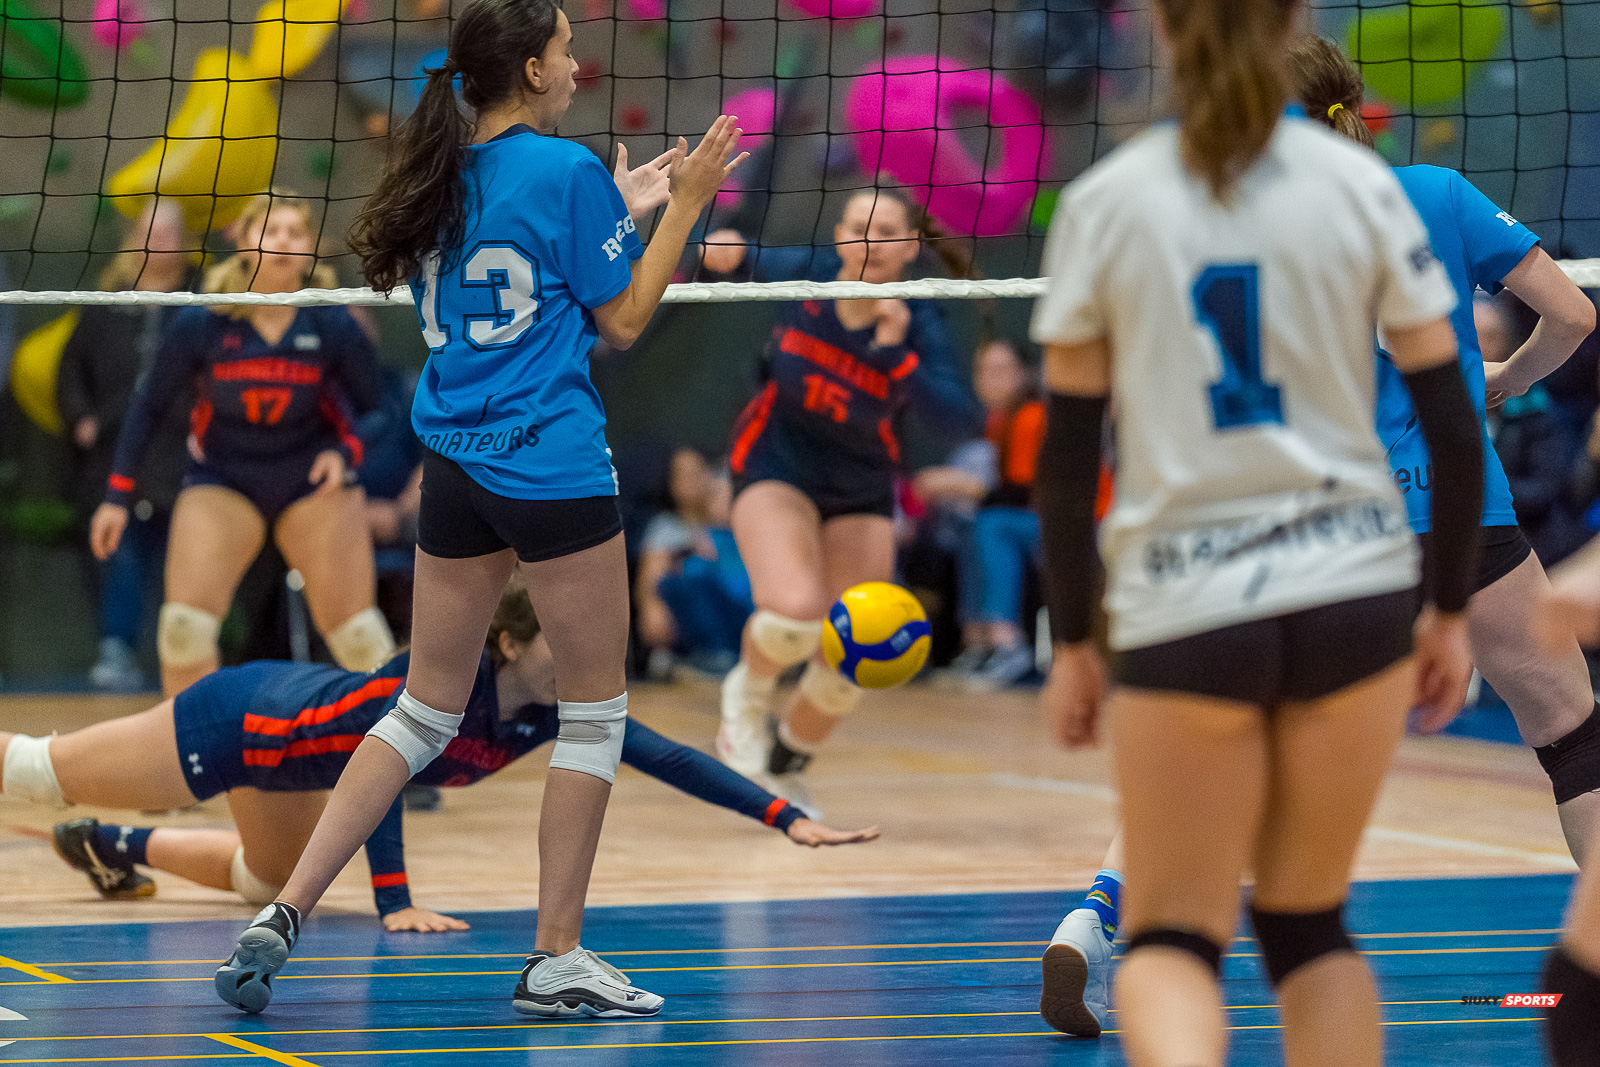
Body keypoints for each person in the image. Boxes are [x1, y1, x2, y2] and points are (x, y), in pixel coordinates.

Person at [1033, 33, 1600, 1045]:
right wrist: (1503, 382)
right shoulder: (1402, 197)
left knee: (1205, 783)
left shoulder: (1142, 207)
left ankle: (1100, 910)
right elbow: (1560, 316)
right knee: (1564, 724)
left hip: (1254, 535)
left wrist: (1073, 636)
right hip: (1436, 510)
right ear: (1344, 107)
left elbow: (1080, 443)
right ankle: (1594, 962)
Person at [210, 0, 746, 1019]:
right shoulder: (564, 171)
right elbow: (622, 319)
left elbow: (534, 264)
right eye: (566, 50)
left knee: (420, 708)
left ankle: (280, 914)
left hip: (454, 464)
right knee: (594, 712)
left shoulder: (437, 175)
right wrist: (686, 204)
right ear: (532, 70)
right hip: (550, 466)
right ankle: (554, 957)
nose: (579, 64)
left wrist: (619, 202)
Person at [1, 584, 874, 931]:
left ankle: (108, 844)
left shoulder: (553, 714)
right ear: (505, 640)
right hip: (239, 723)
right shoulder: (444, 688)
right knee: (35, 771)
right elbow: (378, 784)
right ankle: (80, 812)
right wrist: (397, 903)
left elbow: (670, 756)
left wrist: (788, 816)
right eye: (559, 643)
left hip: (293, 767)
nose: (581, 658)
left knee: (266, 884)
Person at [707, 188, 982, 807]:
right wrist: (719, 249)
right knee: (794, 615)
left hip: (860, 483)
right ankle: (745, 701)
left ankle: (786, 758)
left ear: (909, 247)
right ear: (838, 234)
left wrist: (895, 350)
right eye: (858, 226)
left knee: (857, 650)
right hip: (777, 462)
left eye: (885, 231)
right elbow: (733, 254)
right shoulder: (806, 273)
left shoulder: (923, 317)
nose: (868, 241)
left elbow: (960, 419)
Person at [89, 191, 394, 697]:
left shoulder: (331, 321)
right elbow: (149, 407)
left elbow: (379, 412)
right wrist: (117, 496)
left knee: (359, 638)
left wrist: (344, 454)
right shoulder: (204, 322)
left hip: (311, 484)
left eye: (295, 233)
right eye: (270, 230)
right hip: (224, 481)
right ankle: (198, 757)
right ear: (244, 243)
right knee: (183, 631)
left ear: (310, 249)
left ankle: (404, 760)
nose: (282, 241)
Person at [57, 200, 198, 690]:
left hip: (182, 455)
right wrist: (81, 417)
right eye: (149, 233)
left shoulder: (203, 295)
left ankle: (179, 660)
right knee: (118, 554)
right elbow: (70, 366)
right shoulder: (110, 297)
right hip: (113, 455)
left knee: (178, 559)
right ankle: (116, 651)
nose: (158, 244)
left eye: (168, 235)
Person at [634, 447, 750, 679]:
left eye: (698, 473)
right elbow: (651, 578)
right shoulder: (667, 528)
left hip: (742, 612)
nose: (692, 482)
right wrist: (652, 608)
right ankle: (712, 655)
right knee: (689, 573)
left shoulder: (731, 524)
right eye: (682, 476)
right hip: (698, 627)